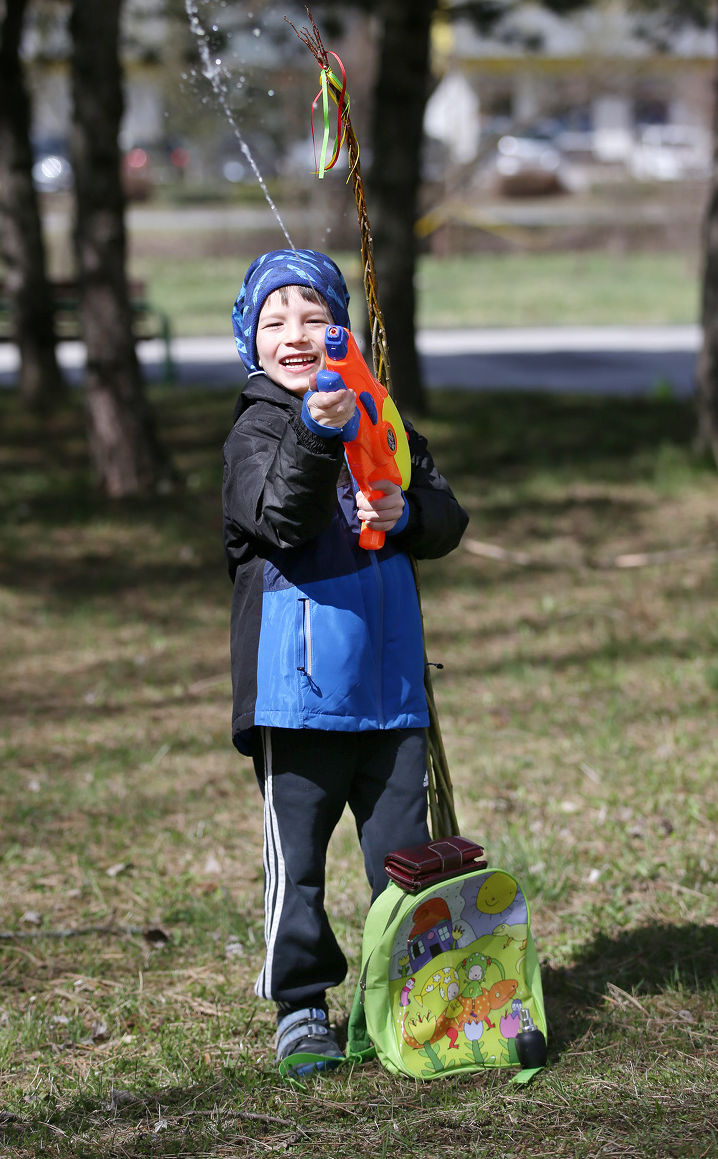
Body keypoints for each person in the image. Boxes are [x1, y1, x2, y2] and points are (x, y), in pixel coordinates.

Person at [223, 249, 469, 1072]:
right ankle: (300, 1005)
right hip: (296, 697)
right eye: (274, 319)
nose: (295, 333)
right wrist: (318, 432)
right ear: (249, 340)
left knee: (405, 855)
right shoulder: (256, 430)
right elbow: (283, 519)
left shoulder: (381, 414)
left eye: (313, 315)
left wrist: (406, 514)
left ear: (341, 329)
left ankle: (411, 992)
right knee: (298, 868)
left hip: (393, 691)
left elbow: (446, 516)